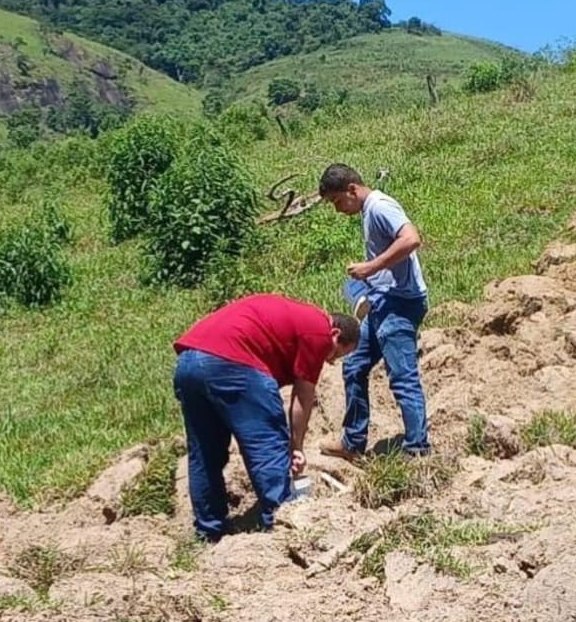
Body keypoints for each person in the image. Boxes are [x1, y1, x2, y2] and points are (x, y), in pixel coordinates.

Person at [171, 293, 360, 542]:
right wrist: (296, 446)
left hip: (188, 363)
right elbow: (303, 396)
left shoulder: (293, 316)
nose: (329, 360)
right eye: (335, 355)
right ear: (335, 334)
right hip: (233, 361)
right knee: (267, 443)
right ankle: (285, 522)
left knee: (205, 453)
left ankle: (209, 531)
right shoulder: (319, 332)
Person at [316, 162, 432, 460]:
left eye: (338, 201)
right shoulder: (368, 210)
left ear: (352, 189)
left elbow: (412, 239)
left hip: (401, 304)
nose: (338, 209)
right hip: (382, 300)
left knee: (402, 376)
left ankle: (417, 449)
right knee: (354, 366)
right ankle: (353, 442)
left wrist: (371, 266)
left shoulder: (380, 206)